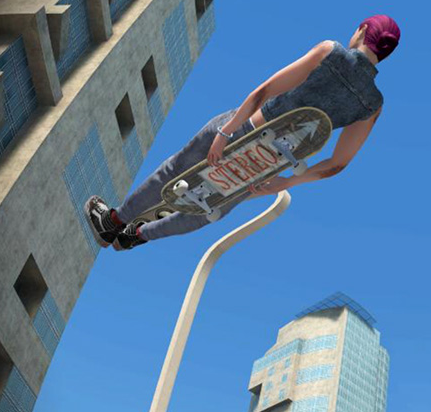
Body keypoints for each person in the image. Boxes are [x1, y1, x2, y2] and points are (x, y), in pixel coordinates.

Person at [84, 14, 400, 250]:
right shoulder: (374, 104)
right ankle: (137, 237)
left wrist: (226, 131)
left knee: (174, 172)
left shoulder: (331, 51)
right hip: (266, 166)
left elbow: (265, 90)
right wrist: (286, 182)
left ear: (361, 30)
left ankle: (111, 223)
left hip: (246, 131)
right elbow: (337, 164)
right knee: (208, 209)